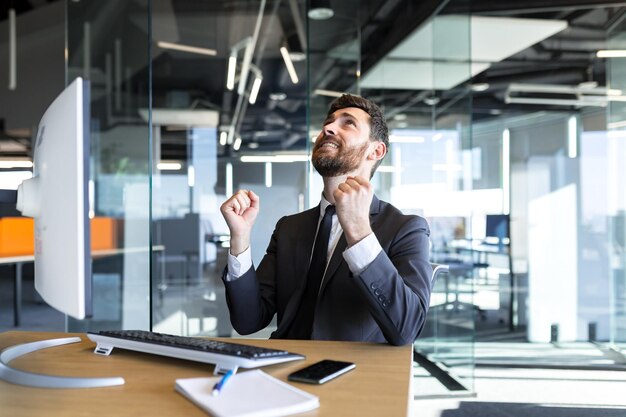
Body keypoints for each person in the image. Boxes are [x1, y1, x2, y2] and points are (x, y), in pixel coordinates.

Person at [219, 94, 431, 346]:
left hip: (352, 375)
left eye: (348, 123)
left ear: (376, 150)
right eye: (328, 123)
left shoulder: (405, 228)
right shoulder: (289, 228)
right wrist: (240, 240)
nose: (328, 128)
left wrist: (360, 232)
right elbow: (248, 321)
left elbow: (406, 329)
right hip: (284, 366)